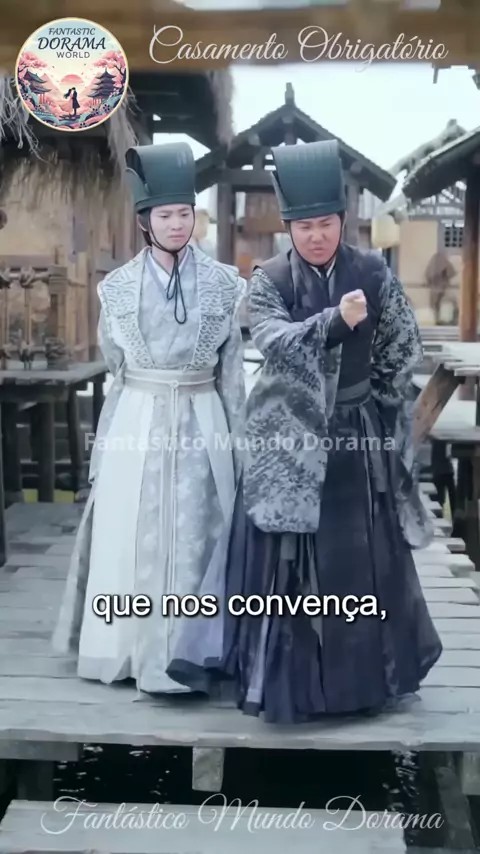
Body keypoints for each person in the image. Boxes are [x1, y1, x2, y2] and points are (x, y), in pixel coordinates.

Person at [166, 139, 442, 723]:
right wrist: (335, 322)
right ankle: (287, 683)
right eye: (304, 226)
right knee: (286, 565)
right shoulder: (268, 279)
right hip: (286, 438)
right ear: (289, 228)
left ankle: (358, 685)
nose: (316, 236)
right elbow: (273, 342)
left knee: (357, 559)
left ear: (343, 220)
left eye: (326, 224)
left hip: (354, 433)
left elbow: (402, 351)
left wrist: (376, 409)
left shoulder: (374, 273)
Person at [52, 141, 246, 694]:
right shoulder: (115, 289)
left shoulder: (226, 284)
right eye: (165, 215)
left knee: (200, 531)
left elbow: (232, 374)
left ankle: (193, 658)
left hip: (203, 415)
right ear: (145, 221)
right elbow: (116, 366)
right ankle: (130, 654)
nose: (177, 224)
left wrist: (240, 447)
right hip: (137, 416)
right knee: (130, 529)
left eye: (185, 213)